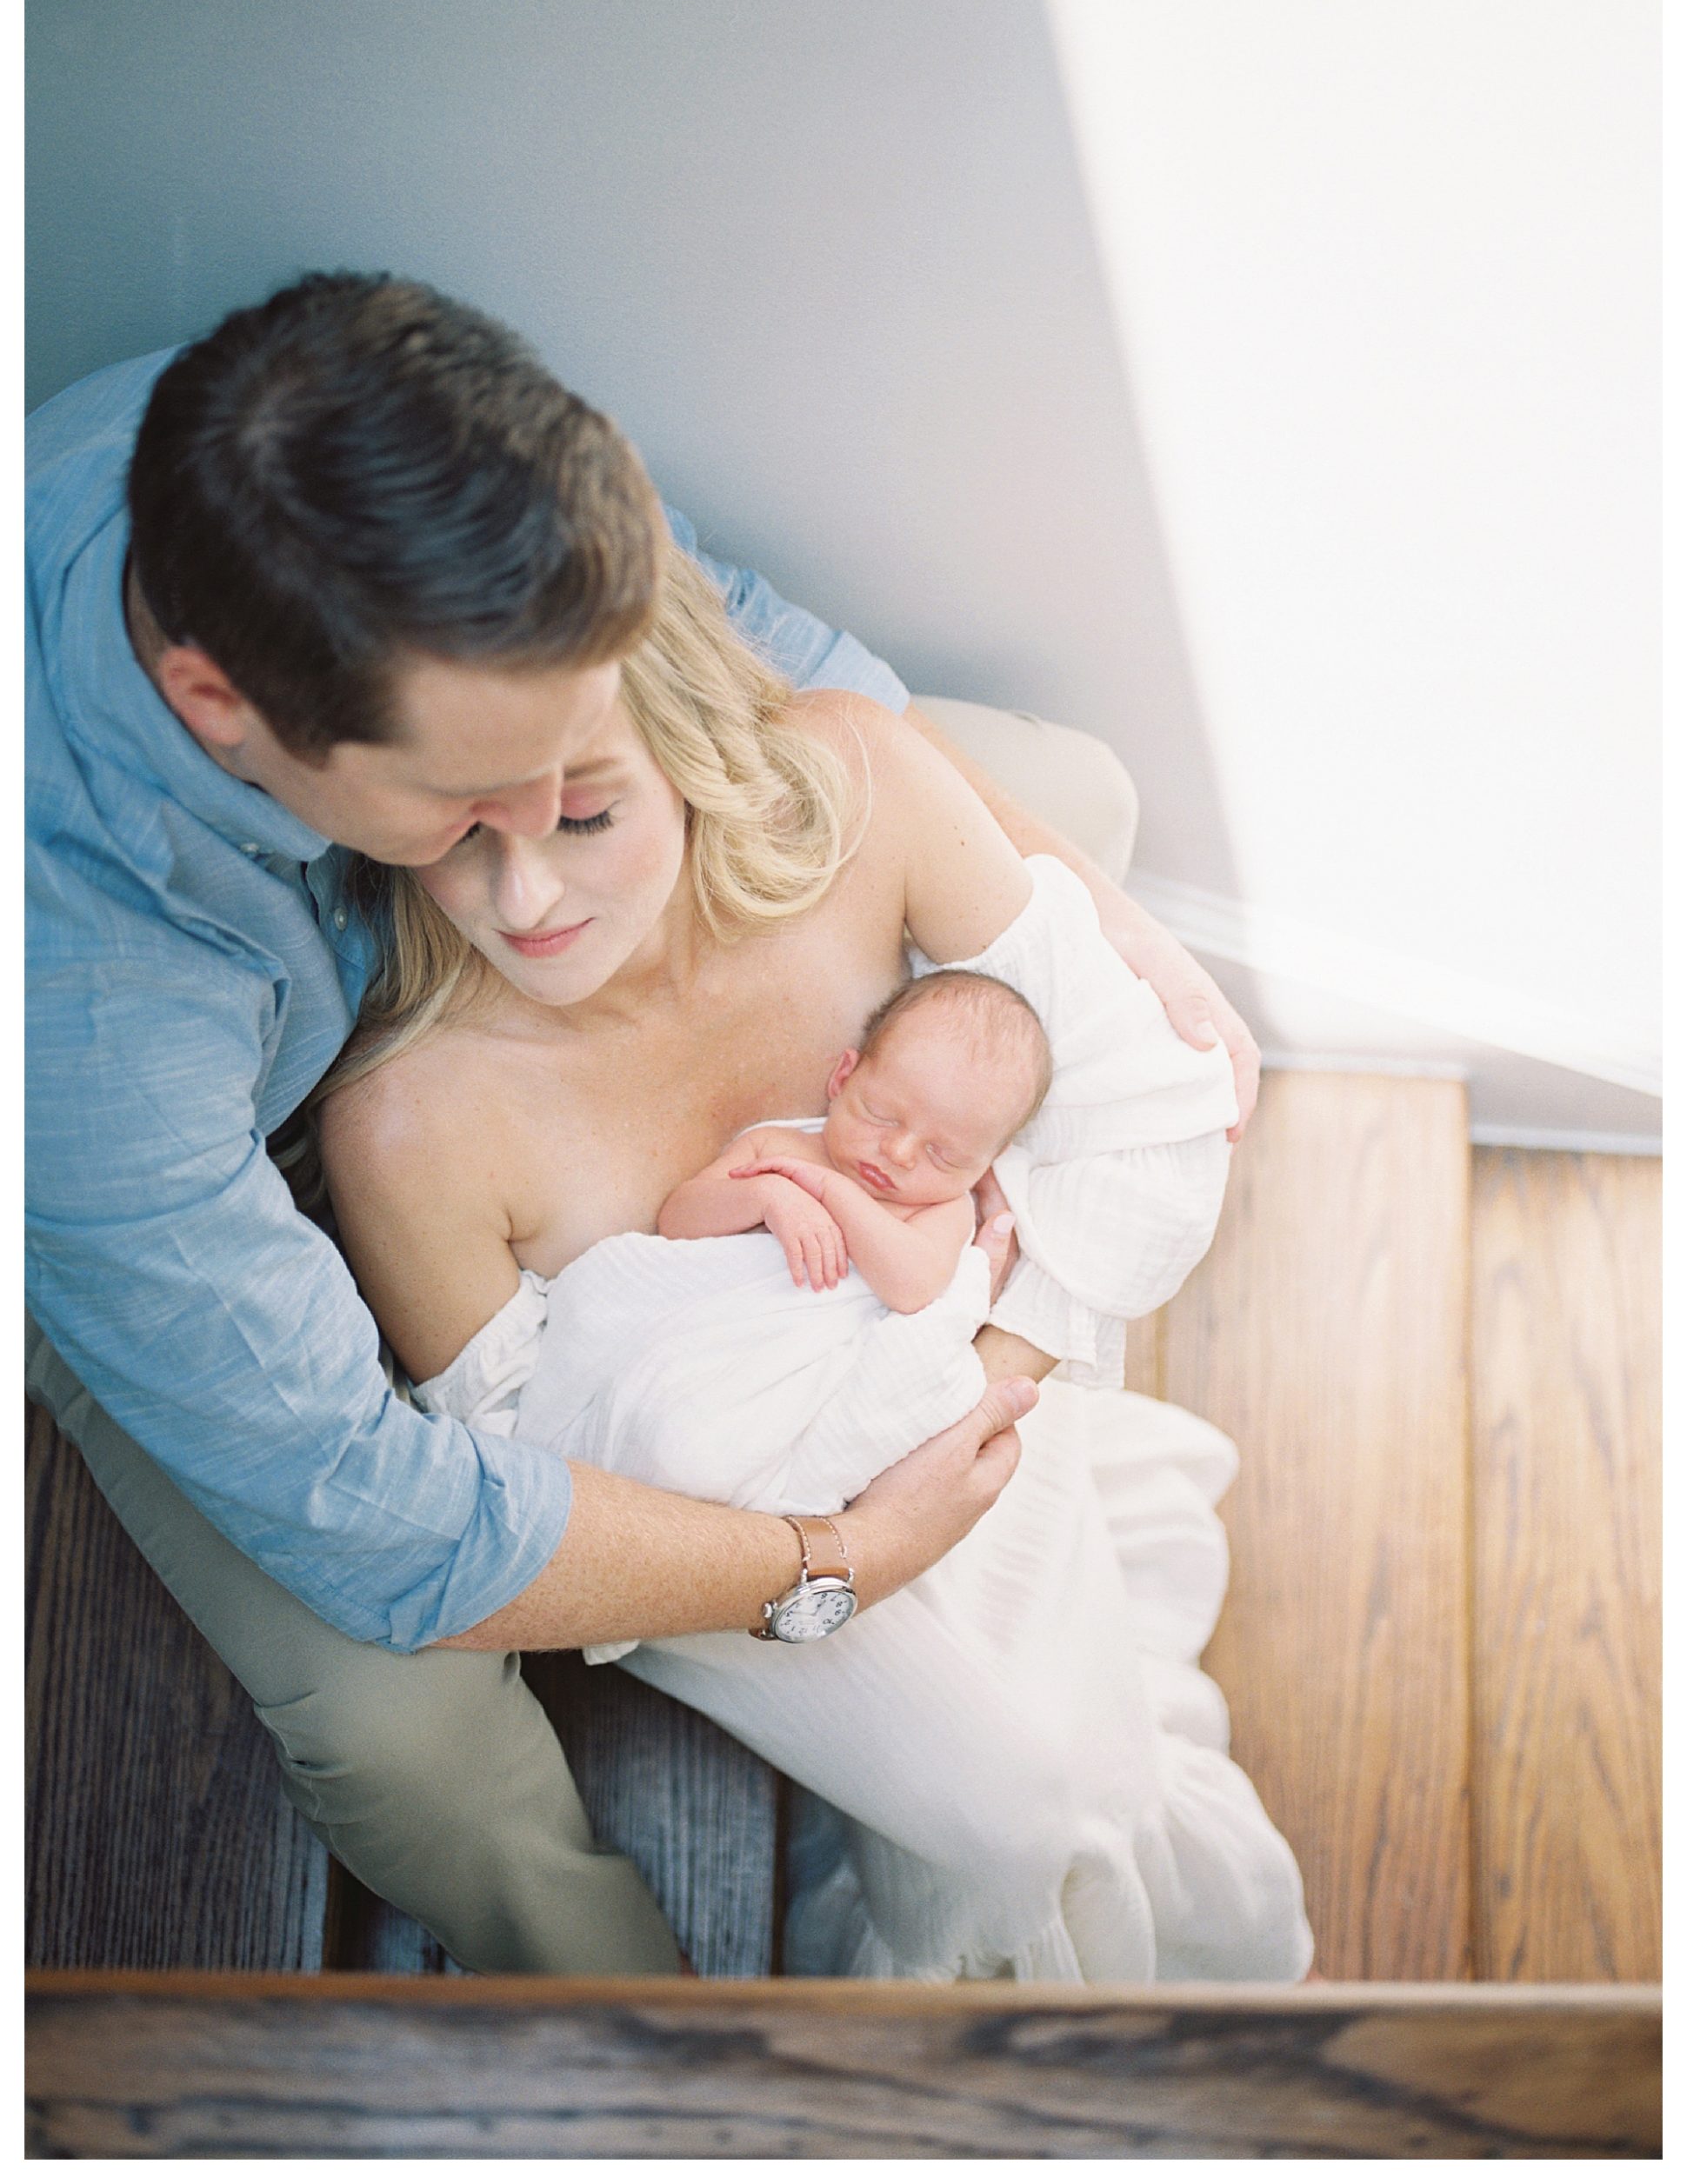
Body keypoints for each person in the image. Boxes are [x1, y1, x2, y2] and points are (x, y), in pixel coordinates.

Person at [27, 269, 1265, 1975]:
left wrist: (1090, 932)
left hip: (517, 1090)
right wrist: (826, 1558)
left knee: (1071, 812)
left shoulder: (364, 450)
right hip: (150, 1214)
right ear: (218, 706)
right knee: (413, 1742)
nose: (526, 872)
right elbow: (379, 1513)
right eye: (470, 807)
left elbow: (745, 642)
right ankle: (638, 2041)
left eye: (581, 776)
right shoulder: (82, 1015)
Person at [316, 541, 1311, 1981]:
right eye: (456, 833)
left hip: (967, 1404)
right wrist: (842, 1552)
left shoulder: (854, 787)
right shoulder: (412, 1124)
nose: (522, 897)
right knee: (1021, 1805)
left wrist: (975, 1380)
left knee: (1074, 1770)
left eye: (585, 815)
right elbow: (537, 1508)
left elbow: (1142, 1103)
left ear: (685, 748)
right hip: (727, 1542)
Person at [660, 969, 1053, 1308]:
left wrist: (831, 1192)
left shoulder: (940, 1210)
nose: (898, 1153)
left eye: (944, 1155)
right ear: (844, 1077)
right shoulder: (773, 1148)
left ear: (989, 1160)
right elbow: (676, 1221)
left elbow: (913, 1290)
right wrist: (766, 1197)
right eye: (881, 1116)